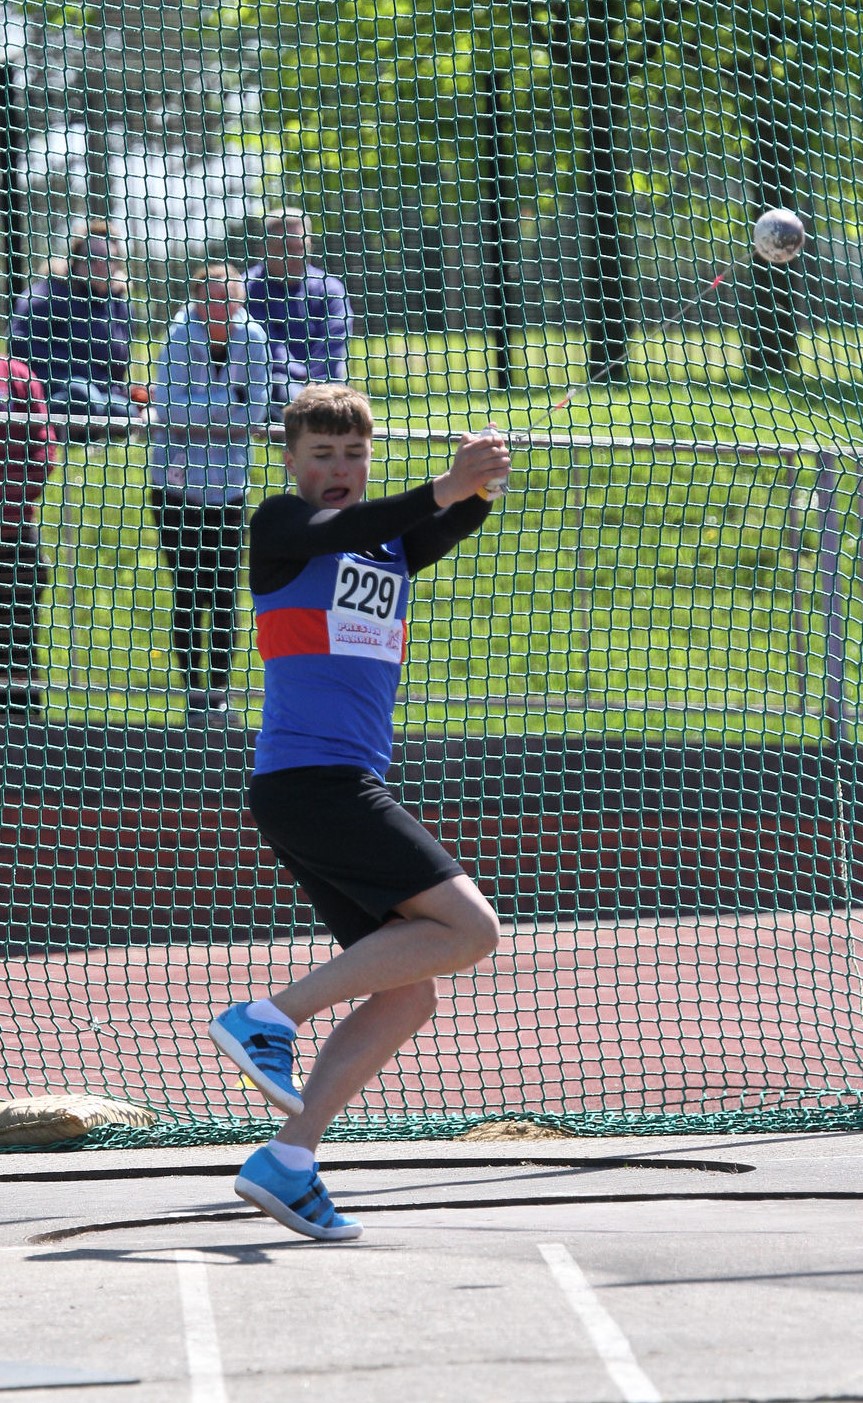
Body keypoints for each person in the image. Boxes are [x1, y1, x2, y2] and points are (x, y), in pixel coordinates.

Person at [209, 382, 511, 1240]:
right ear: (291, 462)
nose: (338, 470)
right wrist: (443, 487)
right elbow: (349, 525)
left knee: (408, 995)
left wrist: (478, 482)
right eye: (321, 456)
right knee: (474, 929)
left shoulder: (384, 552)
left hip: (331, 786)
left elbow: (437, 526)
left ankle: (289, 1159)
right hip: (313, 785)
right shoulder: (279, 527)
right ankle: (266, 1016)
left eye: (352, 455)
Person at [149, 262, 270, 721]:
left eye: (231, 295)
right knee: (187, 587)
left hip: (229, 486)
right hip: (176, 485)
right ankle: (192, 690)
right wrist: (226, 408)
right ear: (198, 298)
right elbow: (168, 408)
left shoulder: (253, 339)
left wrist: (214, 415)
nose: (223, 304)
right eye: (214, 296)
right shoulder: (178, 336)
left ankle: (219, 691)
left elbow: (256, 411)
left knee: (222, 590)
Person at [9, 219, 139, 440]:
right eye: (93, 257)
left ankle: (93, 439)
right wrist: (79, 371)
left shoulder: (119, 304)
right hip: (54, 386)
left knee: (125, 413)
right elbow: (19, 343)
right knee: (82, 396)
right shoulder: (51, 293)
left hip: (102, 390)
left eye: (108, 258)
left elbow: (119, 363)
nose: (101, 264)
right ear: (77, 259)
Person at [245, 206, 353, 419]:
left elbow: (334, 342)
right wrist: (304, 387)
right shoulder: (246, 289)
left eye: (299, 247)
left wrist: (317, 385)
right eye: (283, 247)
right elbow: (267, 347)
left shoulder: (330, 288)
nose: (293, 256)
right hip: (273, 383)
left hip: (326, 384)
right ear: (265, 248)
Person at [0, 356, 58, 719]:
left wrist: (11, 494)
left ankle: (25, 737)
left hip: (15, 536)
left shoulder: (16, 375)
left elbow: (45, 447)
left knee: (19, 645)